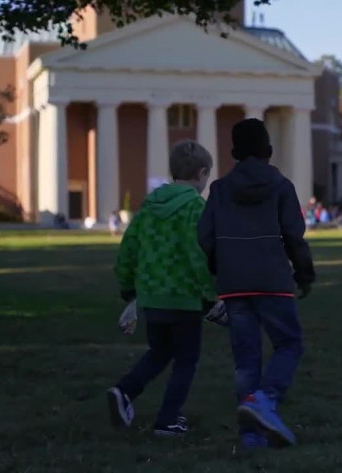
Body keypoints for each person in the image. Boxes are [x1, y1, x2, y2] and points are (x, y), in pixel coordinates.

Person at [198, 118, 315, 449]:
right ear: (269, 151)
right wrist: (304, 273)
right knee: (289, 343)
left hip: (234, 283)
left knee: (246, 359)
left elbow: (204, 236)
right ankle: (265, 399)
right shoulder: (281, 186)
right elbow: (294, 235)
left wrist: (220, 265)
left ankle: (251, 436)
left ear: (233, 152)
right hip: (273, 279)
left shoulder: (220, 190)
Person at [107, 140, 217, 438]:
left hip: (152, 297)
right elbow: (200, 255)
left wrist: (129, 290)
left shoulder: (149, 205)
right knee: (186, 359)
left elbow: (128, 249)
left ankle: (124, 390)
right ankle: (168, 418)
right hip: (184, 299)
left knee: (159, 352)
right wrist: (212, 295)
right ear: (202, 173)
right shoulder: (196, 207)